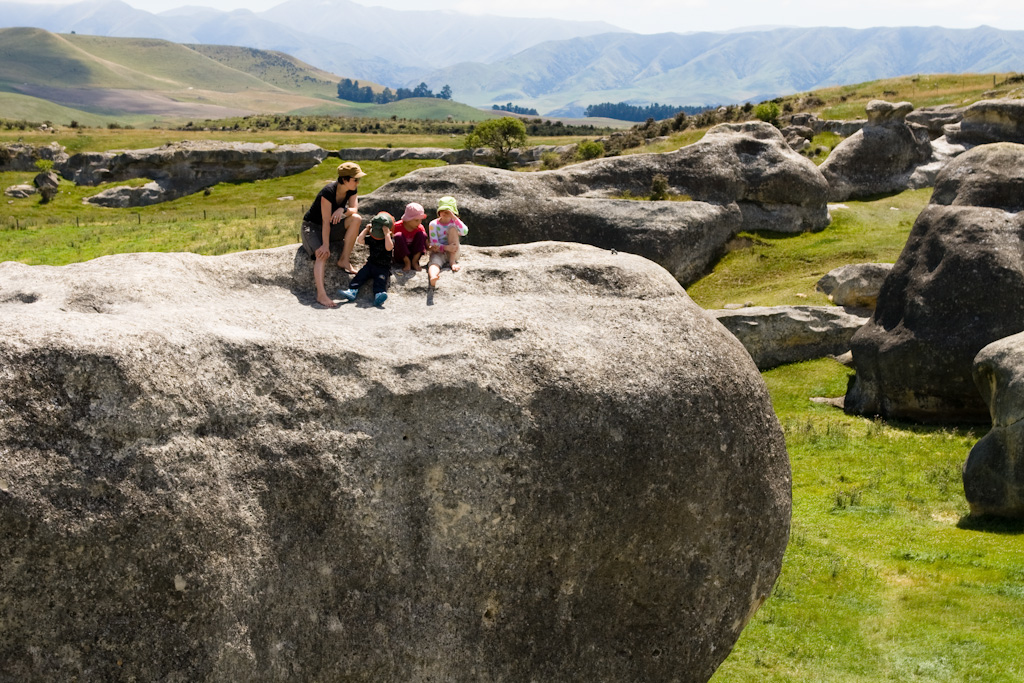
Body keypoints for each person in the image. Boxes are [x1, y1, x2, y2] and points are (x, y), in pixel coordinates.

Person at [300, 161, 366, 308]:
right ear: (344, 179)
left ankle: (344, 260)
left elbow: (354, 209)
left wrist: (342, 210)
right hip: (312, 228)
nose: (358, 182)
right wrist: (325, 245)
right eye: (355, 179)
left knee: (356, 219)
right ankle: (321, 295)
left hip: (330, 226)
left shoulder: (351, 190)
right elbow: (324, 221)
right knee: (322, 254)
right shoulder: (328, 192)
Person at [339, 212, 395, 307]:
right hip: (370, 264)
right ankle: (352, 290)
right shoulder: (372, 238)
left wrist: (386, 234)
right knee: (360, 275)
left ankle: (379, 294)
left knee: (380, 281)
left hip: (383, 267)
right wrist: (366, 229)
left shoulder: (389, 239)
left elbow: (389, 247)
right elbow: (360, 240)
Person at [427, 196, 469, 288]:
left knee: (453, 229)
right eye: (442, 211)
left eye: (448, 211)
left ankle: (452, 261)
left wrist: (454, 217)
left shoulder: (454, 223)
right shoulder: (433, 224)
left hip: (453, 251)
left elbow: (464, 232)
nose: (445, 213)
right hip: (439, 251)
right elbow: (434, 243)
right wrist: (446, 248)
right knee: (434, 262)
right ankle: (433, 276)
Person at [392, 202, 428, 272]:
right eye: (416, 220)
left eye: (421, 220)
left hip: (414, 254)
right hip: (401, 256)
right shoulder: (396, 226)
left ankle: (414, 262)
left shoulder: (420, 228)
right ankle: (407, 262)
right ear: (408, 219)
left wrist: (431, 247)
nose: (419, 223)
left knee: (422, 234)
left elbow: (425, 244)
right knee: (398, 235)